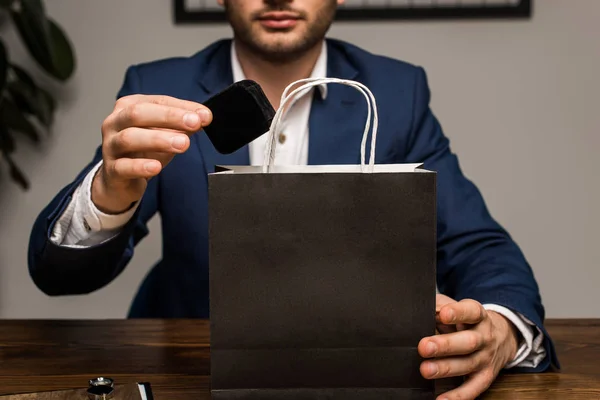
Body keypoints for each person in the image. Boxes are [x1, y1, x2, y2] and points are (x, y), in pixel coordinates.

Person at [27, 0, 558, 398]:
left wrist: (503, 329)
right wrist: (109, 192)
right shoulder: (159, 87)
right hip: (193, 378)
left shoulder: (396, 94)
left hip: (361, 377)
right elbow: (58, 275)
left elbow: (476, 242)